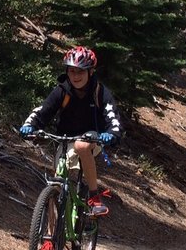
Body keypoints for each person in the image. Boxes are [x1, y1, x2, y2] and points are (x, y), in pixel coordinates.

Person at [19, 46, 122, 217]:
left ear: (90, 72)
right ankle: (51, 233)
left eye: (80, 71)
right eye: (72, 71)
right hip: (65, 138)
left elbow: (113, 118)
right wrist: (30, 125)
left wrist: (111, 134)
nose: (75, 76)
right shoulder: (62, 90)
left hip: (92, 137)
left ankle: (94, 197)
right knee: (56, 185)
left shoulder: (100, 92)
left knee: (82, 146)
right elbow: (43, 111)